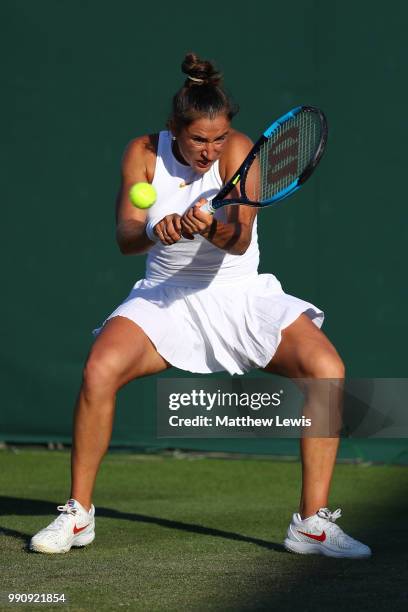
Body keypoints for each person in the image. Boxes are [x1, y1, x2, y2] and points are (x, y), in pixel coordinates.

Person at [30, 53, 371, 558]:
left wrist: (211, 226)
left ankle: (312, 525)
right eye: (197, 140)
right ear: (175, 129)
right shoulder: (143, 152)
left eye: (217, 139)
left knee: (327, 369)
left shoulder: (239, 151)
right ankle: (78, 515)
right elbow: (126, 237)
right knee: (100, 369)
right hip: (165, 297)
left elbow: (238, 240)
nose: (209, 151)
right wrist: (153, 228)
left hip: (239, 293)